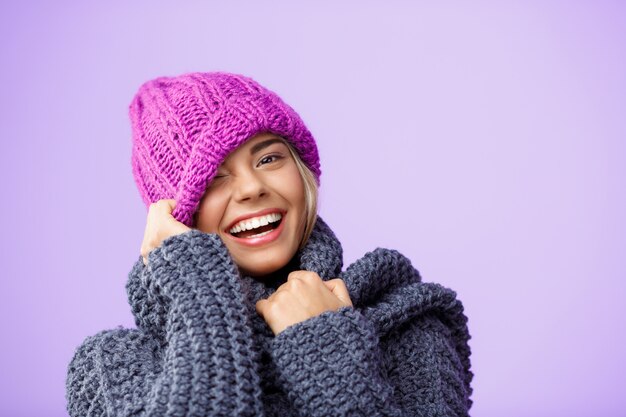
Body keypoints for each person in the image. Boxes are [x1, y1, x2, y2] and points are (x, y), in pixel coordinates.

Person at [65, 72, 474, 417]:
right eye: (212, 177)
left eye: (268, 159)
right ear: (173, 217)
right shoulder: (111, 366)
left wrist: (322, 342)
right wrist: (205, 297)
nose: (252, 188)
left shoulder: (403, 320)